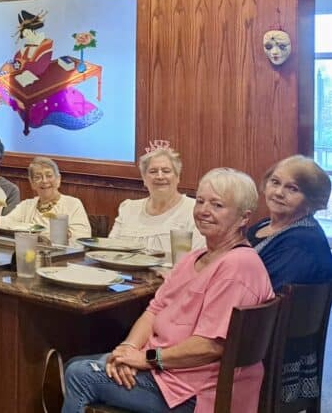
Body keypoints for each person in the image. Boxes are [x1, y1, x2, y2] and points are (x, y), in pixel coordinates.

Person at [62, 168, 275, 413]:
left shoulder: (238, 266)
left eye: (217, 205)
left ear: (244, 217)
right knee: (77, 363)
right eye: (201, 201)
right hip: (166, 372)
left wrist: (147, 359)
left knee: (80, 374)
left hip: (197, 392)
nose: (204, 210)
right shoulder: (194, 257)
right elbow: (154, 310)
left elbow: (210, 346)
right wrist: (129, 349)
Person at [246, 156, 332, 409]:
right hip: (254, 336)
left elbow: (259, 296)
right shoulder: (264, 226)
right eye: (275, 182)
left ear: (312, 199)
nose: (279, 192)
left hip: (266, 351)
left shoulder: (303, 242)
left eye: (292, 188)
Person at [109, 142, 204, 252]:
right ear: (144, 179)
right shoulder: (128, 208)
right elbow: (110, 249)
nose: (160, 176)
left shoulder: (194, 210)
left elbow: (198, 256)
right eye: (153, 171)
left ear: (178, 177)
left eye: (166, 171)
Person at [1, 157, 90, 240]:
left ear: (58, 179)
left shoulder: (73, 204)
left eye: (49, 176)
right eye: (38, 177)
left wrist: (33, 231)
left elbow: (81, 237)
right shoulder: (26, 205)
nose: (44, 181)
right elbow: (4, 223)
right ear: (32, 183)